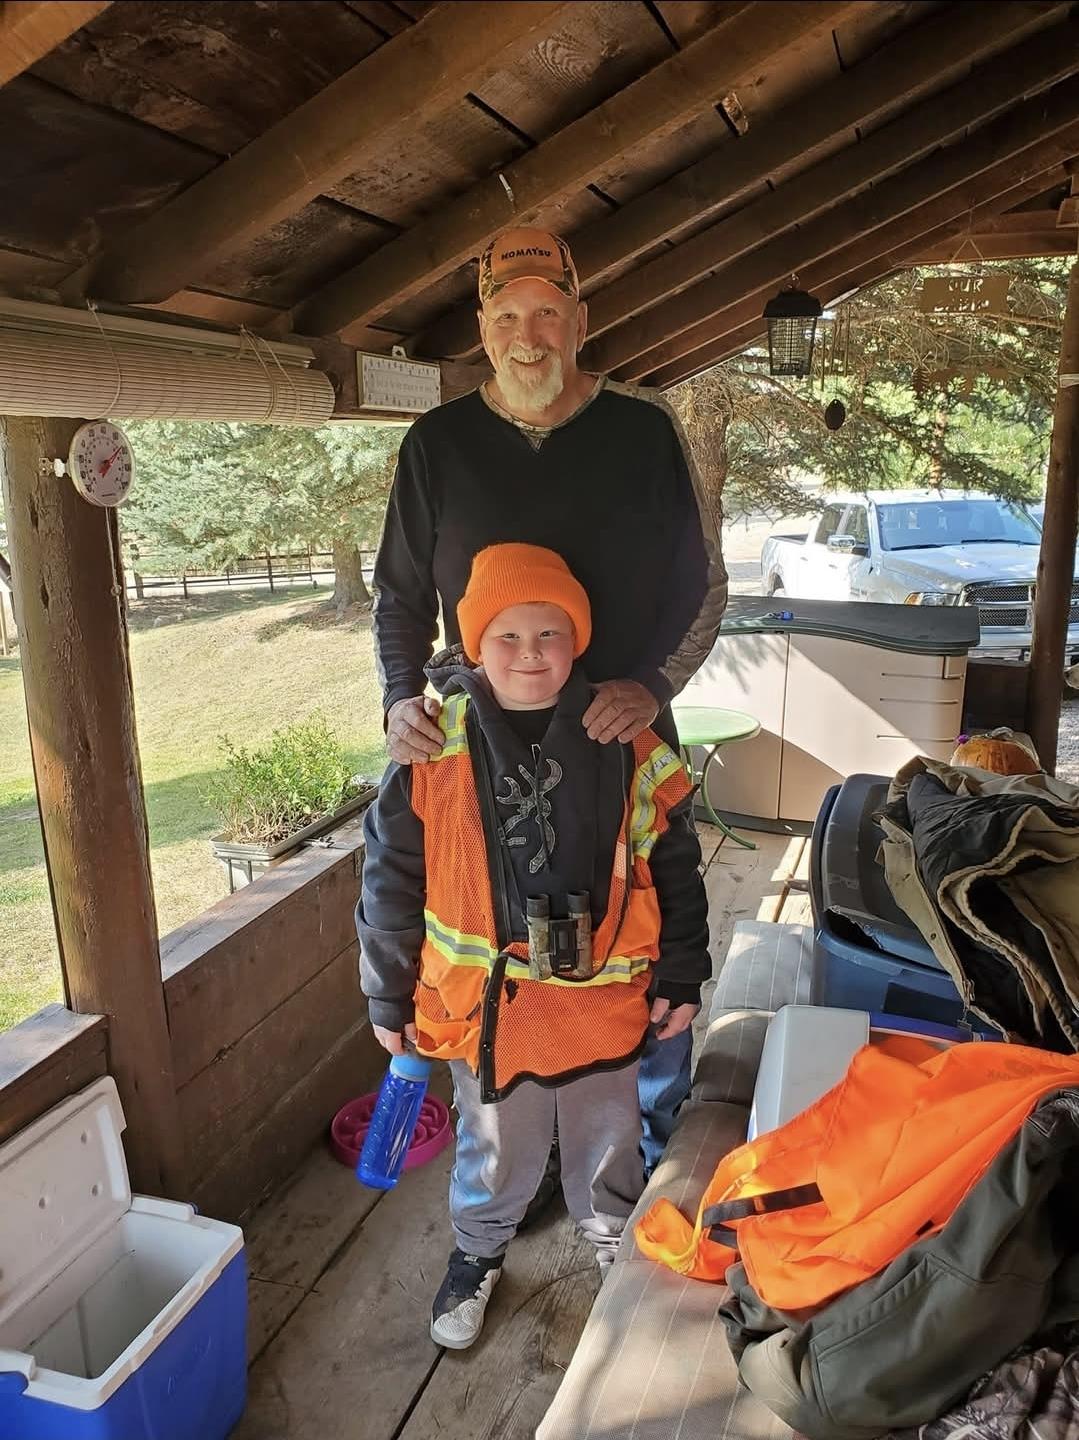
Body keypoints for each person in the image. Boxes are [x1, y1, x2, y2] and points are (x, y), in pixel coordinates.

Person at [372, 226, 728, 1178]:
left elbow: (704, 587)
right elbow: (400, 598)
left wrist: (648, 688)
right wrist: (401, 697)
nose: (526, 337)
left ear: (580, 318)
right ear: (480, 330)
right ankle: (517, 1166)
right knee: (499, 934)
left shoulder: (642, 431)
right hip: (480, 741)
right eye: (504, 318)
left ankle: (647, 1162)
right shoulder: (437, 445)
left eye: (544, 314)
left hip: (618, 724)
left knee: (642, 925)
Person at [357, 543, 710, 1349]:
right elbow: (388, 879)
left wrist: (684, 969)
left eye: (549, 634)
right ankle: (479, 1253)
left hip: (600, 1001)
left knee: (609, 1135)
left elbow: (677, 859)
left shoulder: (624, 732)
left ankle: (613, 1245)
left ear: (577, 640)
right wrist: (386, 991)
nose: (528, 654)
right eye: (506, 636)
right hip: (484, 1009)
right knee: (492, 1141)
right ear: (473, 645)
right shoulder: (430, 741)